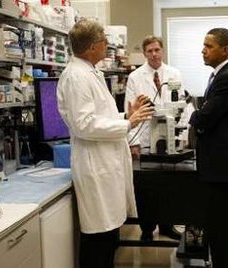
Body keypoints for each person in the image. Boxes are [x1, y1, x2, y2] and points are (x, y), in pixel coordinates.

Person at [57, 19, 154, 268]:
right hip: (95, 166)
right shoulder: (77, 77)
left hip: (104, 163)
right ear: (91, 47)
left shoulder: (90, 72)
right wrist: (128, 124)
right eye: (104, 41)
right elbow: (84, 125)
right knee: (99, 240)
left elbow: (97, 117)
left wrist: (125, 115)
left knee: (109, 236)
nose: (107, 46)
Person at [189, 28, 228, 268]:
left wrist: (194, 116)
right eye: (204, 45)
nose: (203, 50)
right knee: (217, 227)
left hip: (222, 169)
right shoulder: (220, 75)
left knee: (222, 230)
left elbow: (206, 117)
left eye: (209, 46)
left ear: (225, 50)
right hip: (219, 166)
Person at [124, 35, 183, 241]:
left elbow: (179, 105)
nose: (154, 54)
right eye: (149, 51)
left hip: (168, 136)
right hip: (144, 137)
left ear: (163, 50)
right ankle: (147, 228)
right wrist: (134, 141)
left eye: (157, 49)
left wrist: (180, 135)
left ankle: (167, 225)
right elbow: (129, 111)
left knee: (168, 184)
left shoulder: (173, 73)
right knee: (146, 186)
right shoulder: (135, 77)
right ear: (144, 53)